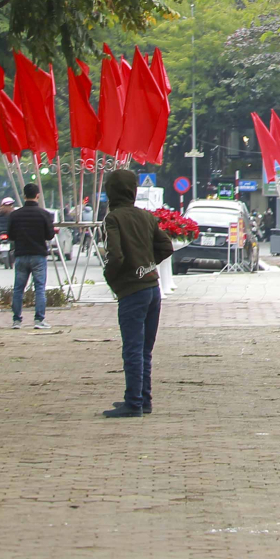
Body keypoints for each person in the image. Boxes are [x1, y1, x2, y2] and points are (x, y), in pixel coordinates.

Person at [100, 167, 173, 417]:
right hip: (153, 288)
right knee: (144, 349)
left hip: (132, 292)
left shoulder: (114, 218)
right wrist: (147, 264)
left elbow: (115, 255)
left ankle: (133, 403)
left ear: (111, 193)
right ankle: (144, 399)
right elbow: (166, 246)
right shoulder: (146, 217)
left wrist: (112, 277)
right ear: (133, 191)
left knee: (132, 348)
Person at [6, 184, 56, 329]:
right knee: (39, 288)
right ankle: (39, 320)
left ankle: (17, 320)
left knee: (18, 289)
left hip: (21, 254)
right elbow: (50, 235)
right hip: (38, 255)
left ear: (24, 195)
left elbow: (11, 235)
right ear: (37, 195)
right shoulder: (44, 214)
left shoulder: (15, 215)